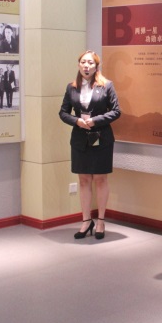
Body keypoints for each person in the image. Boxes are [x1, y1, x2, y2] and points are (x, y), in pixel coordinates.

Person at [59, 50, 121, 240]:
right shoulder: (71, 87)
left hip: (101, 137)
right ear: (79, 64)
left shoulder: (107, 85)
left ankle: (100, 220)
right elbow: (63, 112)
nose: (86, 66)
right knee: (84, 180)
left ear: (96, 66)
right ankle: (86, 221)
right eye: (83, 62)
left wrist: (95, 120)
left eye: (90, 63)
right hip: (80, 138)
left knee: (100, 179)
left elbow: (116, 111)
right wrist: (77, 121)